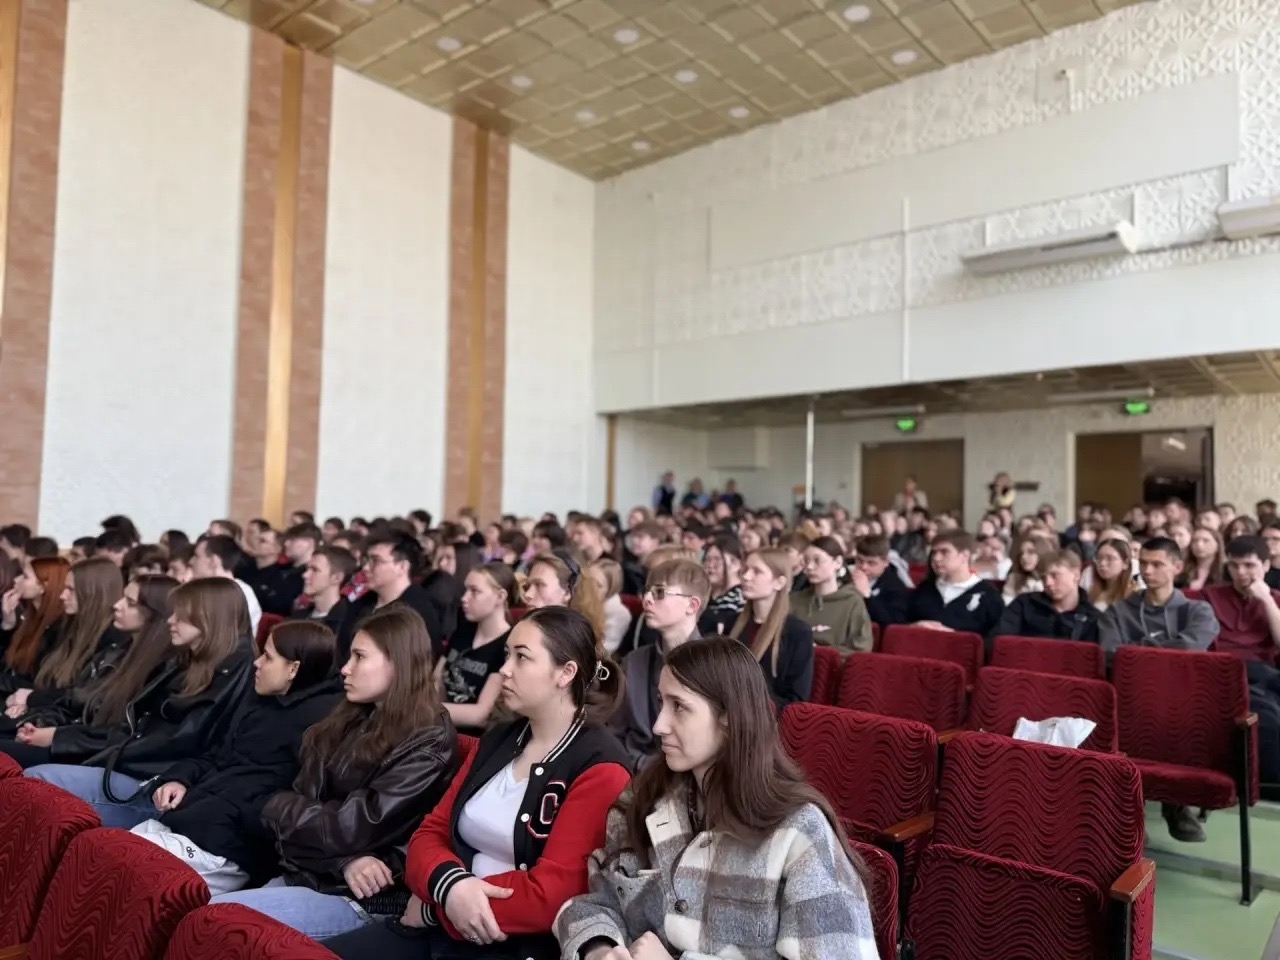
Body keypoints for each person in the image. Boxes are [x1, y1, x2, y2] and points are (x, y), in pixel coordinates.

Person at [322, 606, 631, 960]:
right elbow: (430, 833)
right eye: (506, 655)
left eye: (522, 657)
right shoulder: (500, 738)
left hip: (508, 943)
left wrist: (439, 908)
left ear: (565, 673)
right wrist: (450, 887)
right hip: (441, 922)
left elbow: (553, 895)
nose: (504, 670)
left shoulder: (600, 765)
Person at [555, 637, 879, 960]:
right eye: (661, 702)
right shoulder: (643, 799)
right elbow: (599, 902)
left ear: (728, 718)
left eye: (679, 707)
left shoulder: (799, 831)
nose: (658, 725)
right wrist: (600, 948)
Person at [212, 606, 457, 940]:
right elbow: (308, 810)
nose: (345, 668)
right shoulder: (352, 715)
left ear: (398, 663)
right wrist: (342, 860)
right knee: (205, 920)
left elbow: (348, 826)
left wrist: (274, 805)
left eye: (359, 657)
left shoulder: (429, 738)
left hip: (360, 896)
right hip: (315, 873)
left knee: (215, 924)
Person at [129, 620, 343, 894]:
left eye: (268, 657)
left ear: (293, 669)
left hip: (223, 848)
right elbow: (216, 756)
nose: (257, 663)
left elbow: (272, 804)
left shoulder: (316, 728)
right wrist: (179, 779)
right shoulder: (261, 698)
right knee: (102, 851)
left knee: (119, 865)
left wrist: (214, 811)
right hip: (188, 820)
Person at [25, 577, 255, 827]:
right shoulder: (187, 663)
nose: (170, 620)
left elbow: (185, 743)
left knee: (37, 780)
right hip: (140, 769)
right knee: (32, 778)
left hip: (158, 783)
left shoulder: (232, 672)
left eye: (181, 615)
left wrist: (84, 746)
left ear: (209, 618)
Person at [1098, 537, 1219, 844]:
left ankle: (1174, 802)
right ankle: (1130, 809)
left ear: (1177, 567)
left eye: (1157, 564)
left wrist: (1138, 649)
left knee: (1183, 712)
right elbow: (1110, 654)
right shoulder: (1118, 611)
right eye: (1143, 564)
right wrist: (1163, 649)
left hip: (1181, 696)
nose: (1148, 571)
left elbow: (1190, 648)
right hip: (1131, 696)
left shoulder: (1198, 610)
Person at [0, 575, 178, 768]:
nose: (117, 605)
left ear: (155, 613)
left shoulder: (158, 669)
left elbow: (121, 734)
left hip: (90, 755)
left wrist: (55, 735)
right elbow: (75, 700)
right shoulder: (117, 652)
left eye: (130, 602)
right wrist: (39, 724)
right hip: (67, 736)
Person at [3, 557, 124, 724]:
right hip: (47, 713)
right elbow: (43, 679)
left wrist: (31, 698)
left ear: (92, 592)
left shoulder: (113, 639)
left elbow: (86, 696)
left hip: (65, 723)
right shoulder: (69, 627)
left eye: (70, 589)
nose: (62, 595)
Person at [614, 559, 708, 770]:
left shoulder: (713, 666)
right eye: (647, 591)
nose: (646, 599)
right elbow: (615, 732)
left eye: (659, 593)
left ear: (692, 605)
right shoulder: (633, 662)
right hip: (634, 772)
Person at [338, 533, 446, 660]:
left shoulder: (420, 612)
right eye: (366, 560)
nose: (366, 568)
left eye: (376, 561)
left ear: (402, 567)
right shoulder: (362, 602)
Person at [438, 563, 516, 735]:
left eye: (474, 591)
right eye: (466, 590)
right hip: (440, 727)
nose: (464, 598)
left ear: (500, 596)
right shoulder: (463, 631)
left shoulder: (508, 644)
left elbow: (481, 715)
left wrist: (425, 712)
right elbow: (436, 679)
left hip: (471, 737)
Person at [730, 550, 814, 706]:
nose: (746, 576)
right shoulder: (732, 623)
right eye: (746, 569)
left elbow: (796, 699)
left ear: (779, 583)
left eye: (757, 571)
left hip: (765, 715)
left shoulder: (797, 632)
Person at [993, 551, 1101, 645]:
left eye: (1055, 575)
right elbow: (1000, 642)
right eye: (1043, 578)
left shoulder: (1092, 617)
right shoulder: (1024, 605)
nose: (1048, 583)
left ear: (1076, 575)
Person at [906, 532, 1003, 635]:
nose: (936, 558)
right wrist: (915, 627)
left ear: (964, 555)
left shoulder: (988, 595)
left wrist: (957, 638)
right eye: (934, 552)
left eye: (944, 552)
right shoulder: (925, 589)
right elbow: (902, 626)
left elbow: (995, 638)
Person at [1202, 536, 1280, 664]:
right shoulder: (1210, 595)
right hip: (1220, 663)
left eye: (1249, 565)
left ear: (1266, 565)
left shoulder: (1276, 598)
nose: (1240, 572)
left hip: (1261, 666)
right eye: (1234, 565)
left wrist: (1267, 599)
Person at [790, 537, 873, 653]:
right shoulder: (794, 600)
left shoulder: (852, 602)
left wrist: (821, 651)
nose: (809, 567)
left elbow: (861, 648)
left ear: (837, 562)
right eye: (806, 561)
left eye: (817, 560)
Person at [0, 556, 70, 693]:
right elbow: (8, 663)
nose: (17, 580)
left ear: (43, 586)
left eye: (25, 577)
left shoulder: (59, 628)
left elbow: (38, 682)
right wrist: (8, 624)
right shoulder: (30, 618)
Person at [851, 535, 910, 629]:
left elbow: (893, 625)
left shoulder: (896, 587)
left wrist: (868, 596)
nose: (864, 567)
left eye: (871, 563)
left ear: (885, 562)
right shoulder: (846, 578)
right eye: (859, 560)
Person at [698, 534, 745, 638]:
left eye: (717, 559)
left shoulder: (740, 598)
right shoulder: (707, 597)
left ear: (736, 563)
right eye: (707, 560)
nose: (710, 565)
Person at [1085, 538, 1137, 612]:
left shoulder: (1134, 595)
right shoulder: (1092, 591)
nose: (1102, 563)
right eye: (1099, 558)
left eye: (1110, 558)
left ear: (1125, 563)